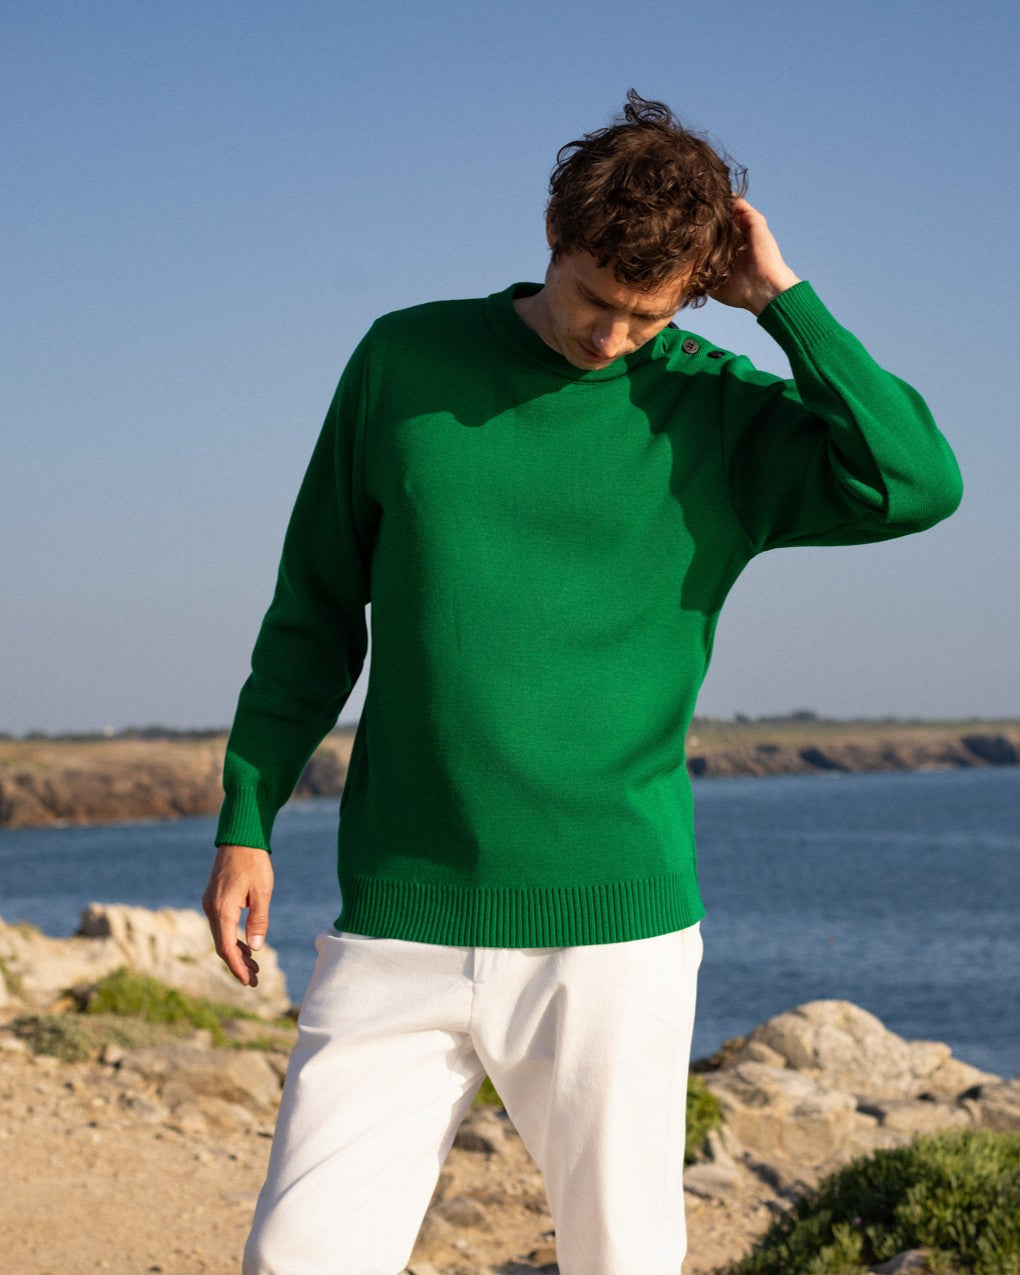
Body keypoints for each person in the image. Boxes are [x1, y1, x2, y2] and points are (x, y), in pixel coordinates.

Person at [202, 91, 962, 1274]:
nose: (611, 337)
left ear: (695, 290)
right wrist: (248, 815)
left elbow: (917, 482)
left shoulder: (716, 410)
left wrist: (784, 302)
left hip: (616, 936)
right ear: (553, 231)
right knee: (297, 1257)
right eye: (594, 299)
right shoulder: (405, 361)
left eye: (647, 316)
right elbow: (313, 612)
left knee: (623, 1261)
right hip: (401, 915)